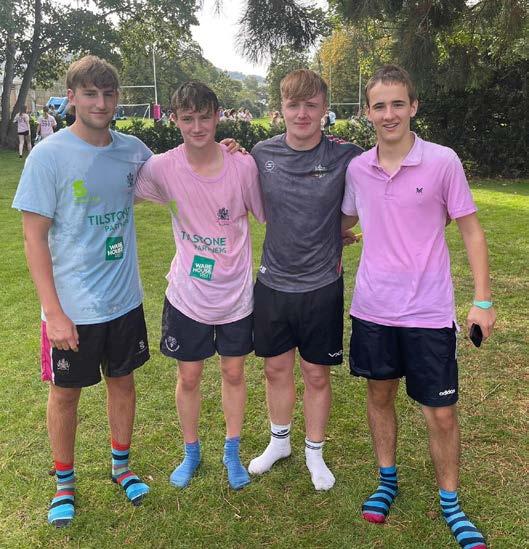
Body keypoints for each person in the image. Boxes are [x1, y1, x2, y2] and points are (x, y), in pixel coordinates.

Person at [341, 64, 495, 549]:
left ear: (413, 107)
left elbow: (471, 231)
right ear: (367, 113)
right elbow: (345, 218)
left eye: (397, 104)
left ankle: (451, 502)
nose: (389, 114)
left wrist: (483, 300)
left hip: (428, 313)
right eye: (379, 106)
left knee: (441, 413)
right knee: (379, 396)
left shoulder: (443, 162)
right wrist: (343, 235)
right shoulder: (358, 169)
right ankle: (386, 481)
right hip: (373, 309)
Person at [12, 55, 152, 528]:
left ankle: (121, 467)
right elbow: (33, 238)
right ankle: (64, 484)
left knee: (123, 382)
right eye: (90, 94)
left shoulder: (133, 150)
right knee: (65, 395)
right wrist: (53, 313)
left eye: (109, 94)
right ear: (71, 97)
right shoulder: (48, 155)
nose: (101, 103)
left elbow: (181, 172)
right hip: (71, 308)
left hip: (124, 300)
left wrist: (224, 150)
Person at [135, 81, 265, 491]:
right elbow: (122, 191)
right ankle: (191, 451)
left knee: (233, 372)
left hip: (236, 295)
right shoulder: (162, 168)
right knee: (189, 376)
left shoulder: (242, 166)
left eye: (204, 117)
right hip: (187, 295)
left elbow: (267, 214)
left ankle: (232, 451)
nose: (197, 127)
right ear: (174, 119)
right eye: (187, 118)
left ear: (218, 116)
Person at [249, 69, 362, 490]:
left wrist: (338, 228)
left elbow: (375, 186)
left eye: (311, 105)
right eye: (293, 105)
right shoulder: (260, 153)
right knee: (276, 369)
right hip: (273, 283)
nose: (302, 114)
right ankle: (279, 443)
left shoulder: (347, 156)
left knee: (316, 374)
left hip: (321, 285)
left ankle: (315, 451)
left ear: (324, 109)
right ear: (281, 108)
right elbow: (221, 174)